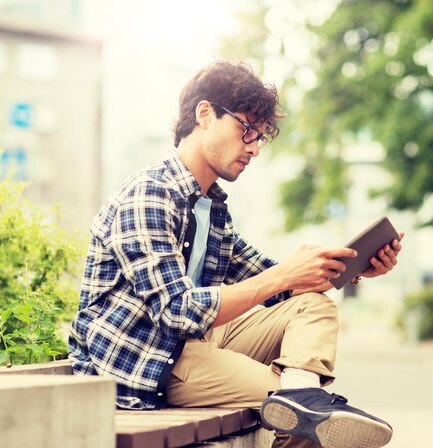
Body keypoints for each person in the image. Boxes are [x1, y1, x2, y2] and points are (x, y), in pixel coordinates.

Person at [68, 60, 403, 448]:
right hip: (147, 357)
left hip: (196, 343)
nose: (254, 148)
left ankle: (302, 398)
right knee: (304, 415)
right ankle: (302, 402)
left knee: (313, 306)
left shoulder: (212, 207)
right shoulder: (150, 193)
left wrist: (357, 268)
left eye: (260, 137)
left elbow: (279, 284)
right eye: (247, 130)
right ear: (205, 114)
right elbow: (176, 312)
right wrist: (281, 276)